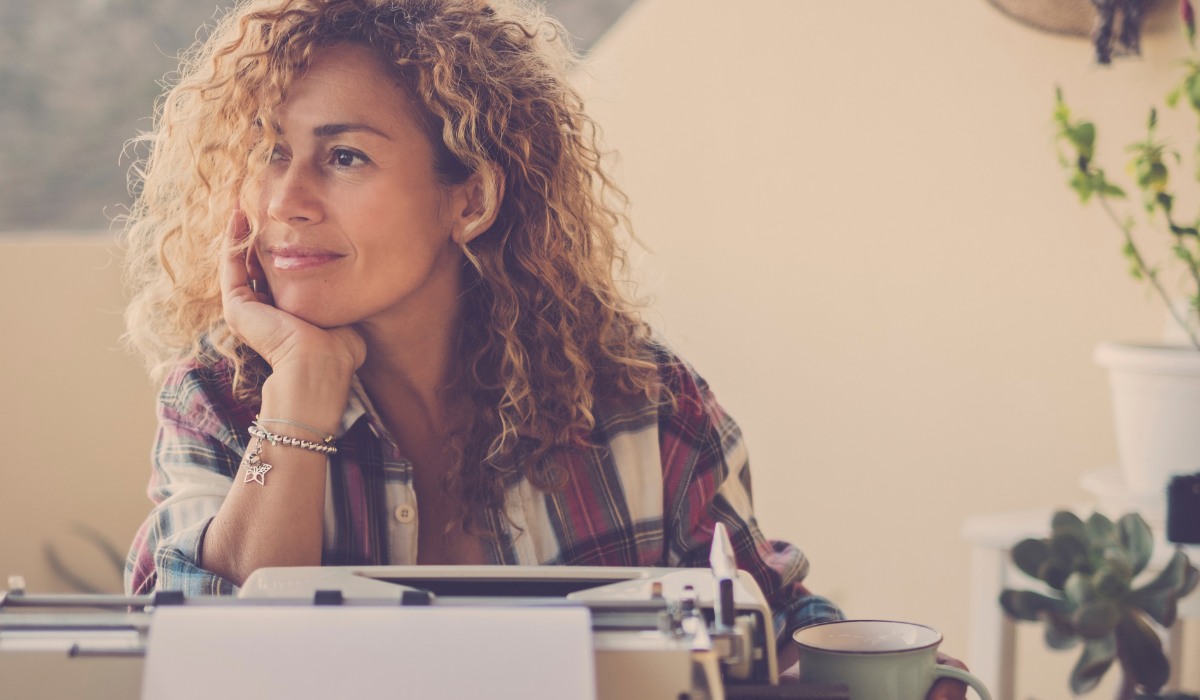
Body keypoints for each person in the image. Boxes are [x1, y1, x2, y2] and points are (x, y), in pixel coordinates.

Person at [119, 0, 967, 693]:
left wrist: (899, 676)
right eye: (270, 152)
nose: (286, 201)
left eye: (343, 156)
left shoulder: (645, 407)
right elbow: (195, 664)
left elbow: (768, 623)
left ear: (473, 198)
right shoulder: (218, 399)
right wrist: (298, 393)